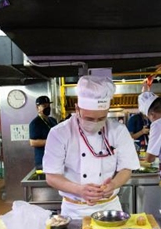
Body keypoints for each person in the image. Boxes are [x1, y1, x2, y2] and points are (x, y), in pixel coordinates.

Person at [43, 76, 140, 218]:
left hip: (109, 207)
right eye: (89, 118)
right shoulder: (60, 133)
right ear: (77, 109)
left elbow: (127, 168)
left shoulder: (118, 131)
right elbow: (51, 176)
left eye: (101, 118)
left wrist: (113, 184)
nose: (95, 123)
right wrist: (79, 190)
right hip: (74, 211)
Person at [29, 95, 58, 169]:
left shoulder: (53, 120)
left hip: (55, 159)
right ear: (37, 108)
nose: (47, 108)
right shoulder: (35, 123)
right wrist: (50, 141)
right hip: (43, 161)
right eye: (44, 106)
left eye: (48, 105)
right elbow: (32, 142)